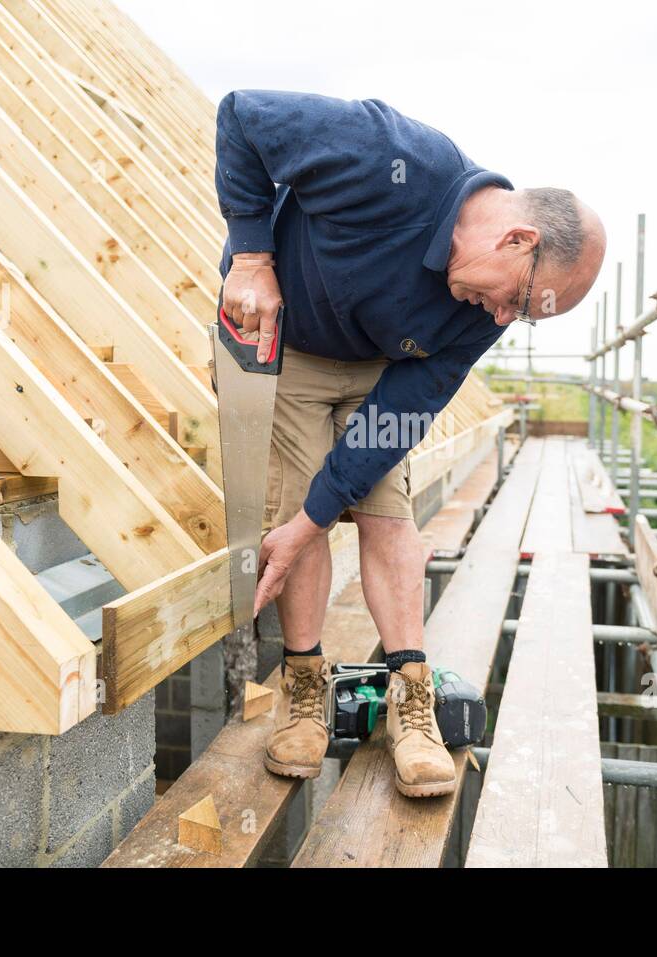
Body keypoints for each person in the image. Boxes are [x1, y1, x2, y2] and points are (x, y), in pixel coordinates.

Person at [215, 90, 605, 797]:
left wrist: (321, 514)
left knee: (386, 513)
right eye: (519, 299)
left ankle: (411, 694)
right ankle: (304, 688)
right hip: (290, 339)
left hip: (378, 366)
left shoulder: (479, 315)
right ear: (516, 240)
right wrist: (251, 256)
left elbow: (402, 411)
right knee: (295, 501)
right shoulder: (387, 156)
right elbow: (242, 117)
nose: (504, 317)